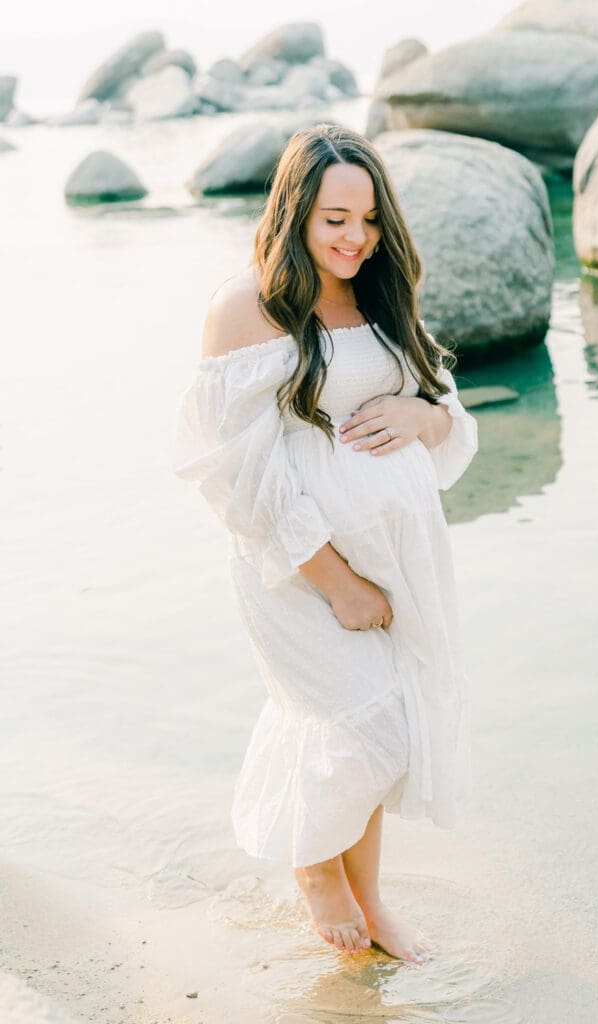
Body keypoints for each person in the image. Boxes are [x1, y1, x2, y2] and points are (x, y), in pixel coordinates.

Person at [171, 122, 479, 965]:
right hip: (295, 568)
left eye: (371, 220)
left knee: (381, 727)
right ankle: (314, 870)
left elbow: (447, 414)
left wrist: (426, 415)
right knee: (365, 728)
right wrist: (336, 578)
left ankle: (371, 900)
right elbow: (239, 478)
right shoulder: (247, 307)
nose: (356, 237)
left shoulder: (380, 294)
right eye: (336, 217)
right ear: (297, 208)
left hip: (396, 561)